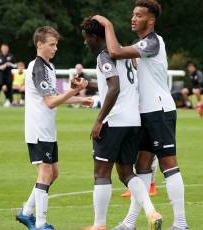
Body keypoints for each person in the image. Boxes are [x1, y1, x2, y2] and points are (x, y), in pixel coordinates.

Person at [92, 0, 190, 229]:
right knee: (142, 166)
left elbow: (114, 51)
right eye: (133, 14)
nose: (133, 18)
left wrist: (107, 25)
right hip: (144, 114)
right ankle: (130, 222)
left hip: (159, 110)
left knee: (168, 165)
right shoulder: (141, 43)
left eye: (139, 15)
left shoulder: (153, 43)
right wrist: (88, 83)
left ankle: (181, 224)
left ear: (151, 20)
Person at [81, 17, 162, 230]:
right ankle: (151, 211)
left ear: (95, 37)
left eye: (86, 38)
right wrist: (87, 84)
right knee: (126, 173)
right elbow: (121, 84)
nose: (85, 42)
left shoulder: (104, 55)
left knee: (101, 173)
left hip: (114, 122)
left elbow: (114, 87)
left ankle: (99, 225)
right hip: (133, 122)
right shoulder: (124, 54)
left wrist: (99, 120)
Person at [15, 26, 93, 230]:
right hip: (38, 128)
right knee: (45, 172)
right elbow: (50, 102)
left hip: (48, 128)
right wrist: (74, 91)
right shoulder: (38, 67)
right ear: (39, 45)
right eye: (52, 44)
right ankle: (40, 223)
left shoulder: (49, 67)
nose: (55, 48)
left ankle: (25, 213)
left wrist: (79, 98)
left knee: (53, 173)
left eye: (56, 44)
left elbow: (55, 98)